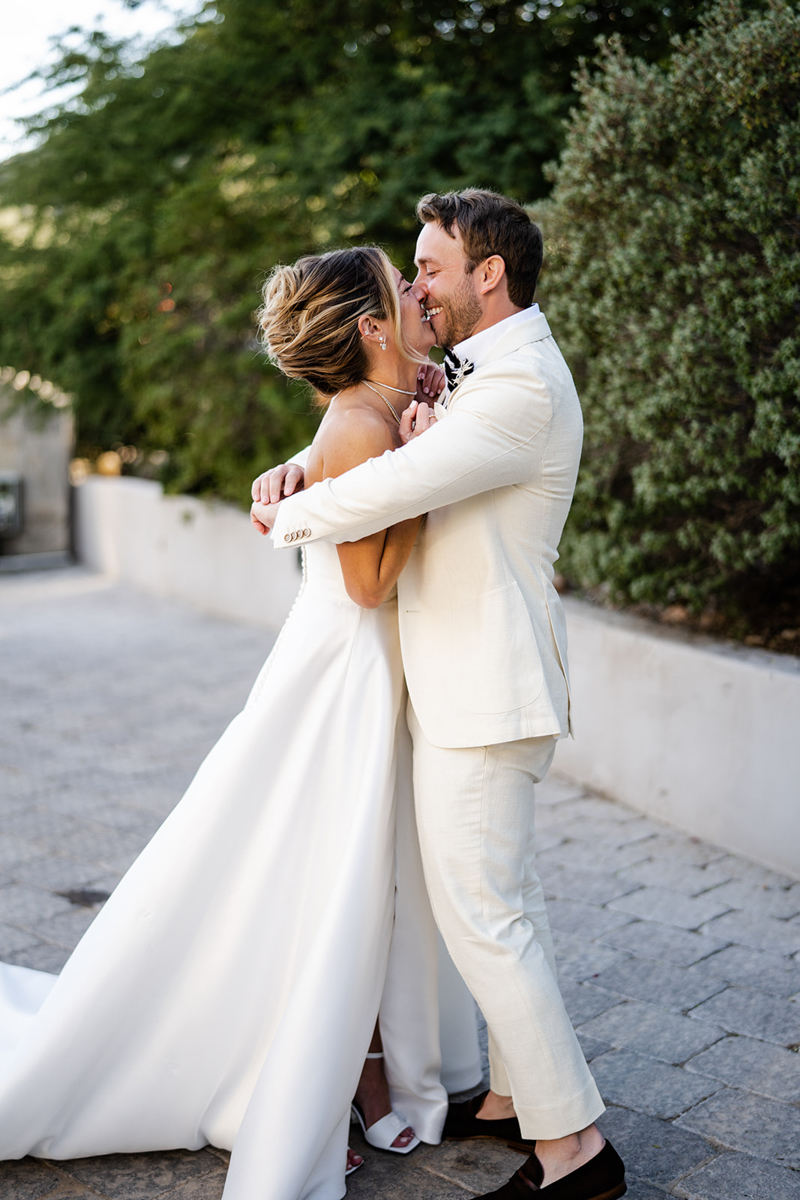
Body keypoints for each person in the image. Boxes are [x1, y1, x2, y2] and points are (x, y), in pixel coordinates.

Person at [0, 245, 482, 1200]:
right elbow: (369, 582)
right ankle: (322, 1073)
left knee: (365, 877)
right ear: (372, 328)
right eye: (400, 288)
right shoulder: (358, 424)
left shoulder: (392, 402)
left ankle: (363, 1066)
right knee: (332, 876)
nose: (417, 295)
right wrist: (426, 462)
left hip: (370, 669)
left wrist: (421, 427)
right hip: (343, 670)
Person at [251, 189, 627, 1200]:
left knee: (485, 919)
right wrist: (294, 465)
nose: (416, 284)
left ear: (486, 274)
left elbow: (389, 484)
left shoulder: (518, 392)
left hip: (485, 687)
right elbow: (365, 431)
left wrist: (288, 519)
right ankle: (511, 1100)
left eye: (430, 266)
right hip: (469, 680)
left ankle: (574, 1154)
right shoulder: (474, 372)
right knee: (512, 907)